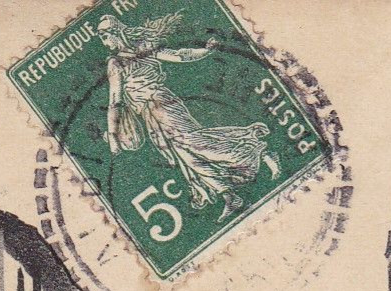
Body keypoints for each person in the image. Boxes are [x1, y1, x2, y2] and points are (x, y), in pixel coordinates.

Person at [97, 13, 279, 214]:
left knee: (195, 143)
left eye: (105, 36)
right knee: (187, 155)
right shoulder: (123, 58)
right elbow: (117, 101)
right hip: (152, 115)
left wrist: (205, 51)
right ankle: (229, 195)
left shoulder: (126, 57)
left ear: (117, 32)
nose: (105, 43)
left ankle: (256, 149)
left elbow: (178, 56)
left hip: (162, 104)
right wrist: (205, 51)